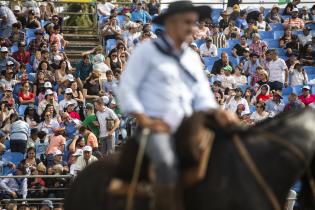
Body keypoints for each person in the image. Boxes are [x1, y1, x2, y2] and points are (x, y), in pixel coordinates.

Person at [117, 2, 238, 209]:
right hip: (157, 125)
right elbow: (126, 89)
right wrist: (144, 119)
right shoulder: (147, 51)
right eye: (188, 22)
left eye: (194, 23)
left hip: (190, 125)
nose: (193, 28)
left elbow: (202, 95)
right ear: (172, 23)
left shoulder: (191, 56)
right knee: (166, 163)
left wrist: (218, 111)